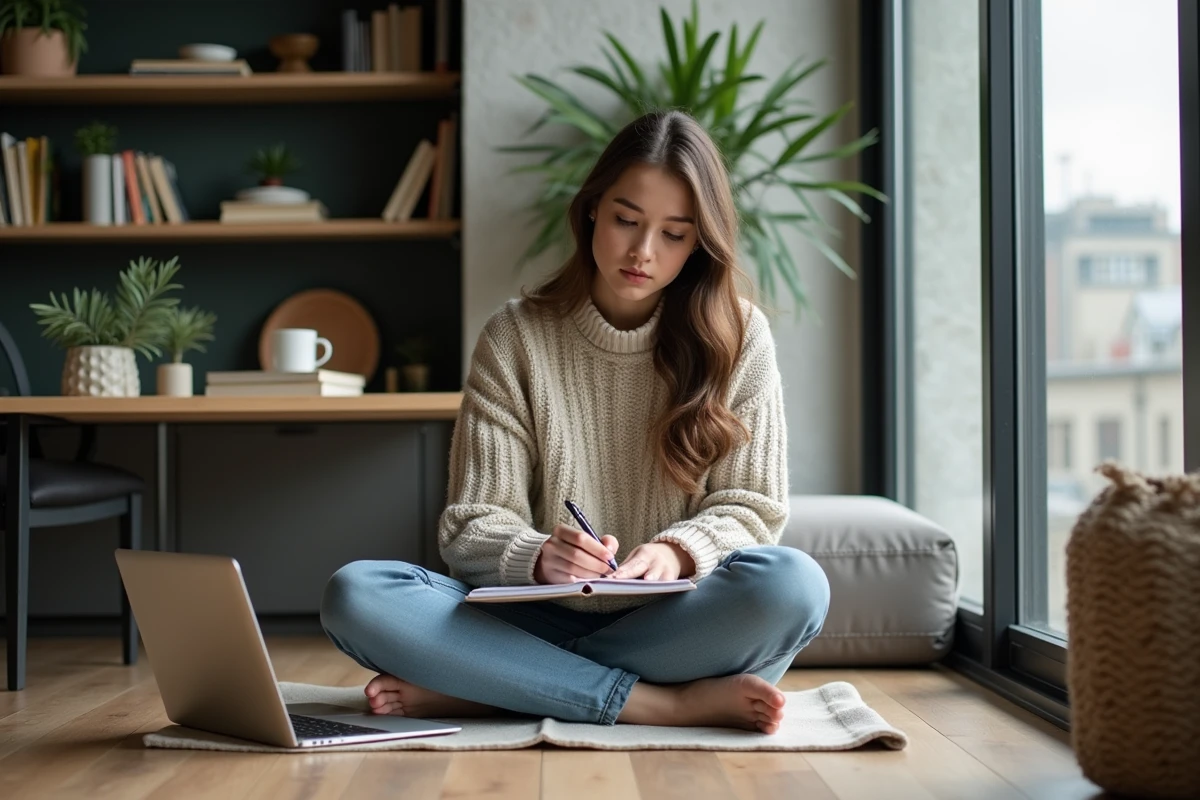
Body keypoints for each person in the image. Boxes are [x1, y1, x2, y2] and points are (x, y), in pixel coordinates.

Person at [320, 109, 831, 734]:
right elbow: (471, 524)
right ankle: (658, 703)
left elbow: (752, 509)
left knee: (794, 587)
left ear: (700, 241)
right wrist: (536, 558)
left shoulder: (740, 335)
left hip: (675, 622)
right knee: (358, 594)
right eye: (626, 220)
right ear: (592, 208)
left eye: (674, 234)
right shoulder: (515, 336)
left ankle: (492, 685)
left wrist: (676, 553)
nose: (643, 251)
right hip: (532, 616)